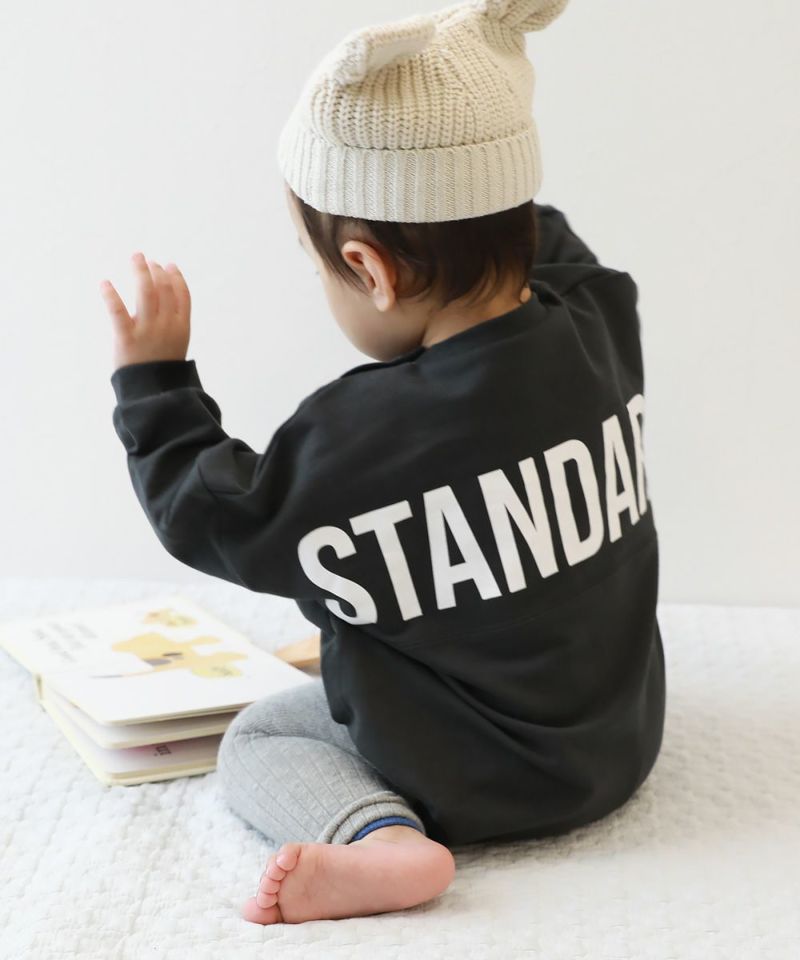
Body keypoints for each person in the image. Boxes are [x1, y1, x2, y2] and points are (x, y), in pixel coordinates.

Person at [100, 0, 665, 927]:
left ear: (371, 270)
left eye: (316, 263)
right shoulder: (601, 318)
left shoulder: (359, 439)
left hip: (470, 780)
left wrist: (153, 382)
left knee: (261, 738)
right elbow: (535, 234)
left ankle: (384, 840)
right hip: (618, 742)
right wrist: (481, 149)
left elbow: (209, 514)